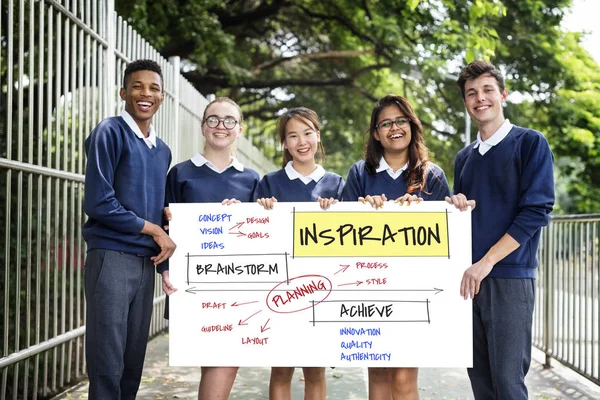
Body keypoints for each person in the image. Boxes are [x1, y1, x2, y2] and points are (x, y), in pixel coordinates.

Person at [446, 60, 555, 399]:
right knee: (481, 383)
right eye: (471, 93)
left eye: (487, 90)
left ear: (503, 94)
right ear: (465, 103)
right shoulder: (464, 158)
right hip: (469, 280)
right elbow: (468, 215)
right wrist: (458, 203)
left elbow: (536, 211)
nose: (480, 98)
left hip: (509, 276)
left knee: (508, 385)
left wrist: (487, 262)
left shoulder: (530, 143)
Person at [342, 94, 450, 400]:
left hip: (411, 291)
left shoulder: (433, 175)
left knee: (403, 378)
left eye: (401, 121)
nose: (394, 128)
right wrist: (362, 208)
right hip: (368, 286)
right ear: (376, 133)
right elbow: (340, 234)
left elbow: (447, 237)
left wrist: (428, 209)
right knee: (377, 376)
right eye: (385, 123)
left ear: (412, 126)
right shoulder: (359, 173)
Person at [82, 59, 176, 399]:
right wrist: (153, 229)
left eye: (153, 88)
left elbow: (157, 207)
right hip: (111, 258)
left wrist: (165, 227)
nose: (145, 93)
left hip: (143, 264)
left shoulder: (162, 150)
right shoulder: (109, 132)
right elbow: (99, 202)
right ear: (124, 92)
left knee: (133, 360)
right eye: (137, 86)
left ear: (162, 97)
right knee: (107, 361)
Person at [160, 97, 260, 400]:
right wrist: (164, 270)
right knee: (215, 363)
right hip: (193, 284)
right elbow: (163, 228)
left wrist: (241, 215)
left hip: (236, 283)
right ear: (203, 127)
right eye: (213, 119)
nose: (221, 126)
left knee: (225, 363)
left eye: (230, 120)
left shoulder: (252, 179)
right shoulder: (180, 173)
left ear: (239, 129)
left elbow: (261, 235)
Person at [255, 107, 344, 400]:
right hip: (281, 286)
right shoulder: (269, 183)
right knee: (281, 369)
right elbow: (253, 236)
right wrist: (262, 210)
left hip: (322, 288)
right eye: (293, 136)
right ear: (285, 143)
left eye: (307, 133)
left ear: (318, 136)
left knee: (315, 372)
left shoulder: (337, 184)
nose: (301, 141)